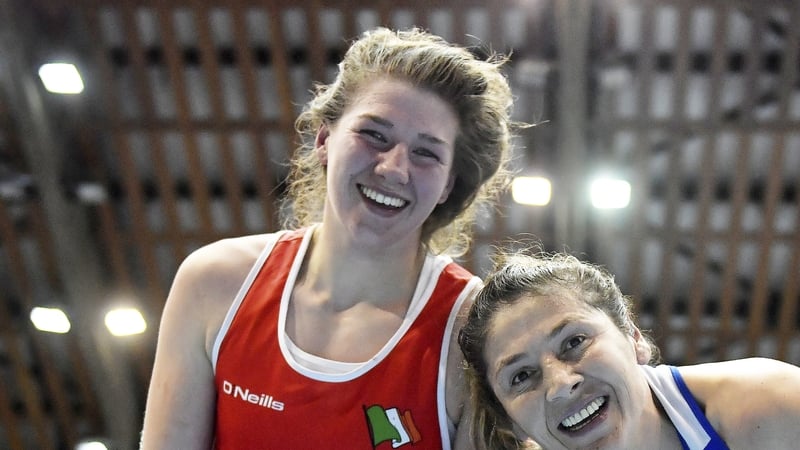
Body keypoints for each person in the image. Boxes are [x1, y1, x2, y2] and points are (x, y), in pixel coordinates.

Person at [140, 27, 519, 449]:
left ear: (449, 184)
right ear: (324, 139)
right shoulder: (214, 283)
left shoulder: (472, 330)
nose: (394, 169)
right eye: (375, 135)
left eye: (426, 153)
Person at [458, 251, 800, 450]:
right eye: (521, 377)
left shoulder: (768, 406)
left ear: (634, 337)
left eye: (574, 342)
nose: (561, 384)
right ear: (509, 422)